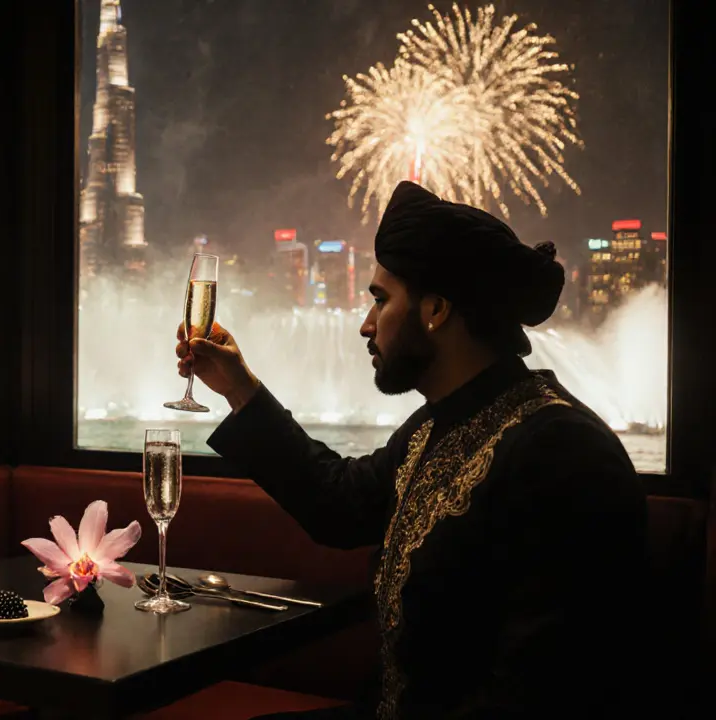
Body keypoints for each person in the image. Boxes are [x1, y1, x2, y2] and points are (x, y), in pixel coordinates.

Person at [177, 182, 647, 720]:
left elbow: (546, 691)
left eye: (381, 299)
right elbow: (340, 505)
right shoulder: (437, 425)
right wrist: (237, 385)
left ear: (436, 309)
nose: (365, 324)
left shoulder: (563, 453)